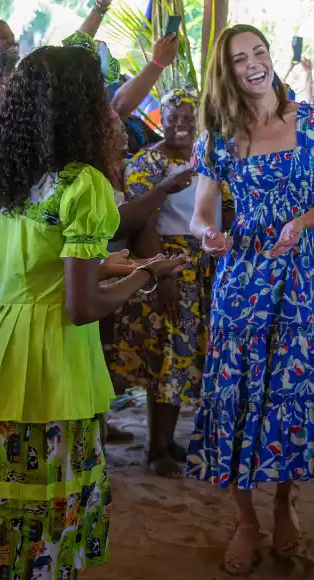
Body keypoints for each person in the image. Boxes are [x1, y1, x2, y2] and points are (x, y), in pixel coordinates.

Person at [0, 46, 188, 580]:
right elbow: (81, 306)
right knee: (45, 507)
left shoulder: (2, 177)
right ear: (83, 107)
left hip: (2, 344)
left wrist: (119, 265)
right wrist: (148, 273)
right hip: (53, 356)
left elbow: (36, 264)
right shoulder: (82, 185)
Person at [186, 24, 314, 576]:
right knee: (235, 394)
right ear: (225, 71)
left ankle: (283, 504)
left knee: (288, 390)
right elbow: (200, 214)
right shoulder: (218, 137)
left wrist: (300, 223)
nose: (253, 64)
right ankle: (245, 520)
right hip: (240, 280)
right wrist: (208, 234)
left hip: (296, 280)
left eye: (259, 52)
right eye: (239, 59)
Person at [108, 89, 226, 476]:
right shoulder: (149, 161)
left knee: (184, 356)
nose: (180, 125)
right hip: (168, 267)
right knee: (167, 356)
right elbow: (142, 223)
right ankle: (155, 448)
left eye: (189, 118)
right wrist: (164, 275)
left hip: (204, 267)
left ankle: (168, 440)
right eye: (173, 118)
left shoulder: (211, 158)